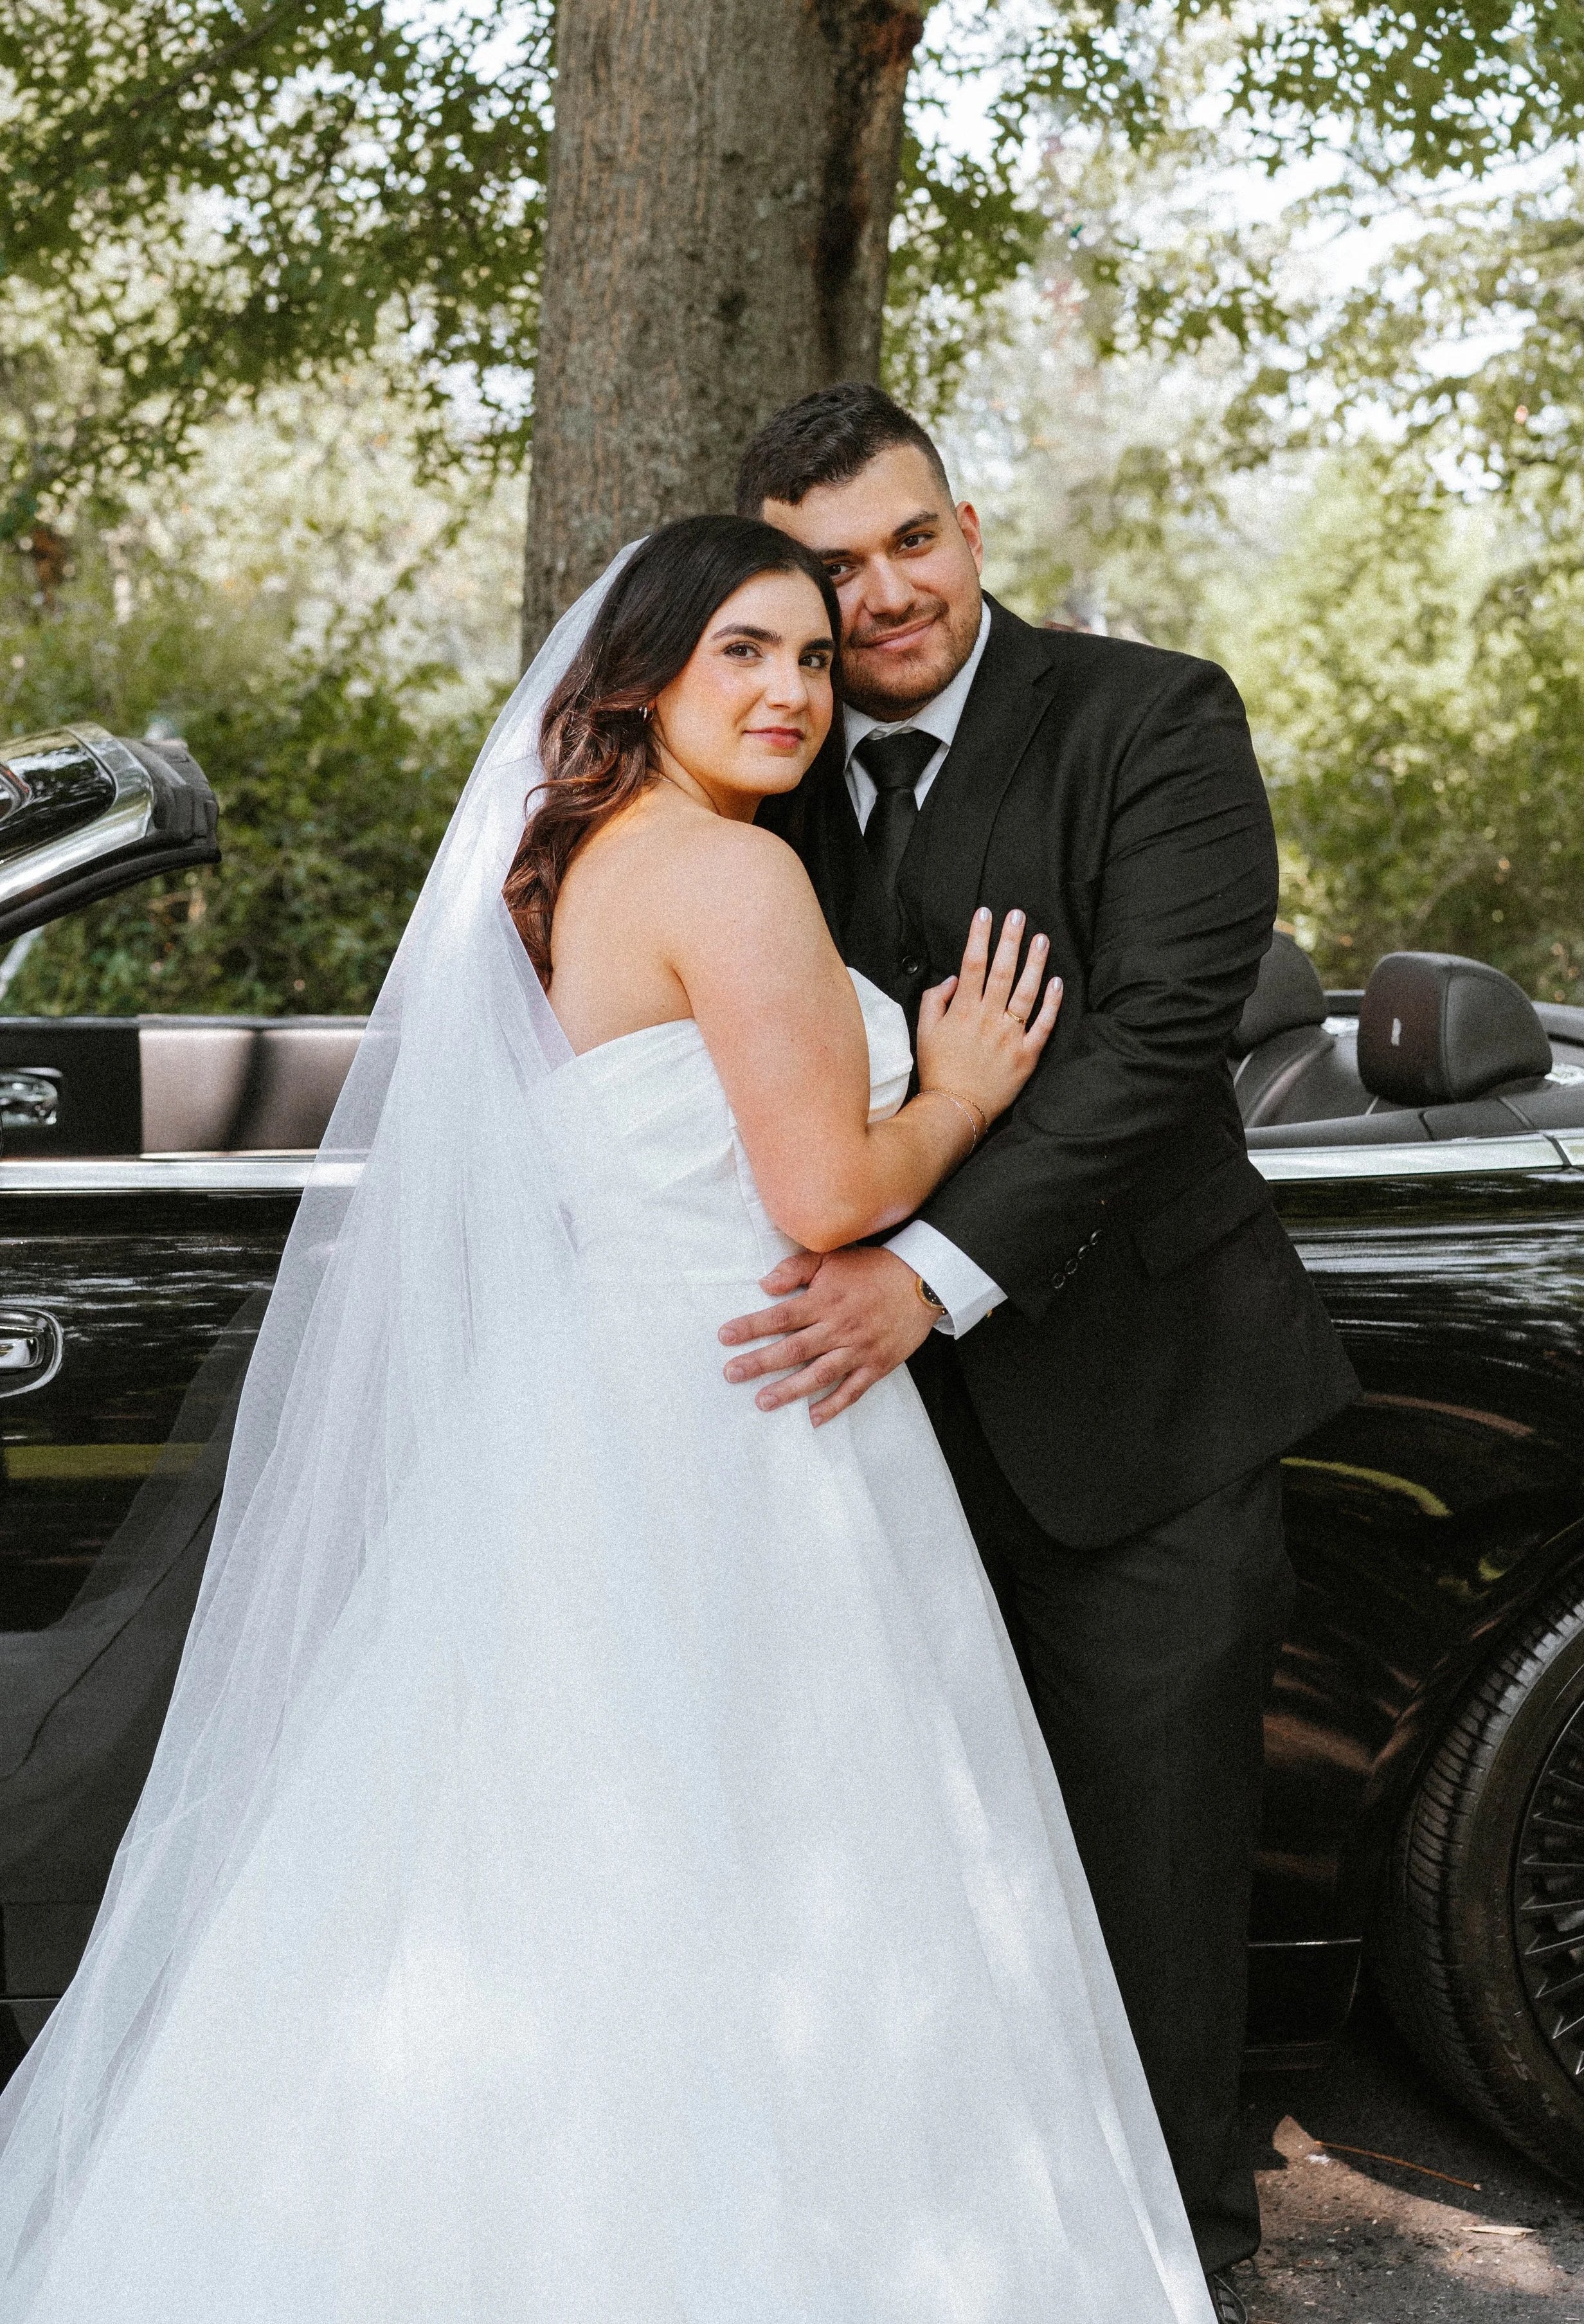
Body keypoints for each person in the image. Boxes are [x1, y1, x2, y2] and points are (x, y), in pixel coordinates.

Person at [0, 515, 1216, 2323]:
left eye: (811, 658)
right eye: (746, 650)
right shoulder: (734, 880)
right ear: (642, 673)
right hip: (753, 1412)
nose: (793, 690)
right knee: (787, 1855)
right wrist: (958, 1091)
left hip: (587, 1408)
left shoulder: (567, 869)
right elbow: (822, 1198)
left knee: (520, 1857)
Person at [724, 385, 1360, 2323]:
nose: (885, 593)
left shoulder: (1151, 719)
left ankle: (1178, 2267)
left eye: (911, 540)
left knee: (1156, 1887)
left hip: (1143, 1413)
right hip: (864, 1451)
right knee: (908, 1878)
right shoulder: (756, 766)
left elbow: (1157, 1039)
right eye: (833, 571)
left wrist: (928, 1271)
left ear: (969, 525)